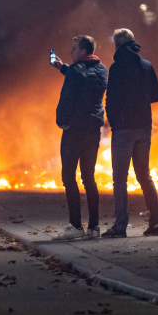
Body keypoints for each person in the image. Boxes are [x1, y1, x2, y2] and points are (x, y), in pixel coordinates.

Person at [103, 28, 158, 238]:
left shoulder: (116, 67)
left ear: (117, 46)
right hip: (144, 127)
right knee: (144, 175)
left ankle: (120, 226)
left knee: (120, 179)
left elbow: (110, 99)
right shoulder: (146, 65)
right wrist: (141, 99)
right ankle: (155, 224)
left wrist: (115, 122)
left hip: (124, 129)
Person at [50, 36, 108, 241]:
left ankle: (75, 226)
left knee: (68, 176)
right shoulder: (102, 70)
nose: (71, 52)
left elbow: (66, 96)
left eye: (74, 49)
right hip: (93, 130)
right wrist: (63, 67)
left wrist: (61, 121)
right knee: (88, 177)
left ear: (83, 51)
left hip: (74, 130)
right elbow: (85, 80)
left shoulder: (76, 71)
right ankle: (94, 227)